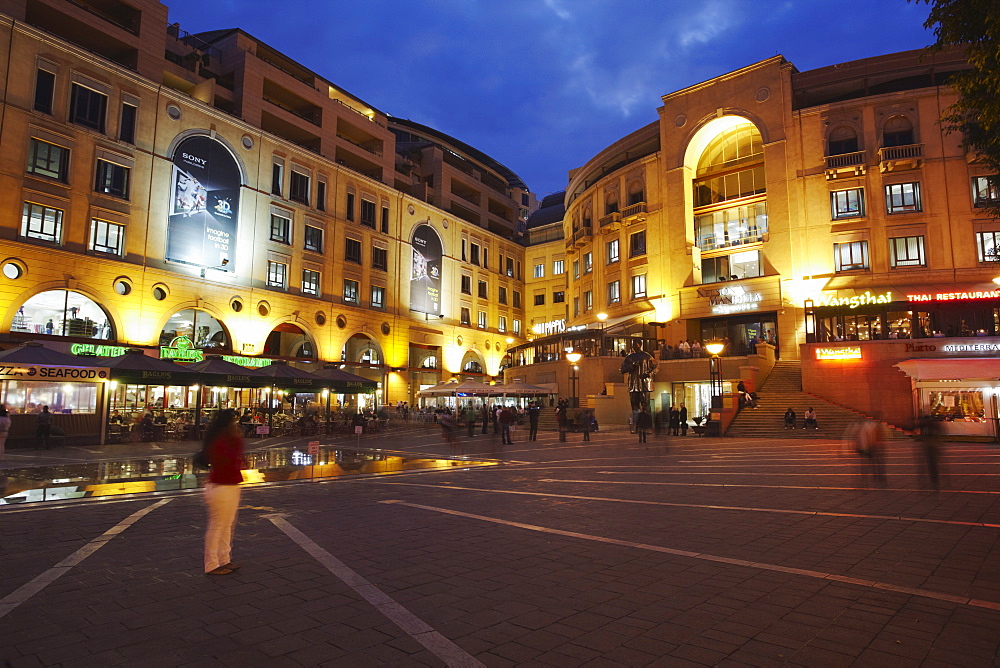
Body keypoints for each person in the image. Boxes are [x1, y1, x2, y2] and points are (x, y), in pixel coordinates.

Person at [202, 408, 246, 576]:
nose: (237, 425)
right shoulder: (220, 440)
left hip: (230, 483)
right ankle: (212, 563)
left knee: (227, 525)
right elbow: (227, 459)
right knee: (218, 525)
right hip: (221, 485)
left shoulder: (226, 438)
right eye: (234, 422)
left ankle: (224, 558)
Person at [619, 342, 658, 412]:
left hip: (644, 385)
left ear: (640, 345)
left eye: (635, 344)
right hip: (633, 385)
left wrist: (648, 374)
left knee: (645, 404)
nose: (634, 346)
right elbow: (622, 370)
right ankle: (636, 420)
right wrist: (631, 366)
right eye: (633, 345)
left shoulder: (647, 356)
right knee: (634, 405)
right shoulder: (629, 357)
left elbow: (656, 367)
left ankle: (646, 420)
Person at [916, 414, 943, 490]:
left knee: (932, 464)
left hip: (932, 447)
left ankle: (934, 480)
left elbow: (934, 435)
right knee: (931, 464)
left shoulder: (933, 425)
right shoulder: (929, 425)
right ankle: (933, 480)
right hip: (930, 447)